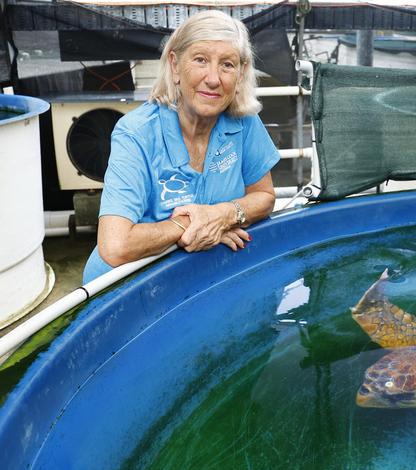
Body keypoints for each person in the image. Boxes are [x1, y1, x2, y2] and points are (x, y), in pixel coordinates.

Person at [83, 10, 280, 284]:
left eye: (227, 65)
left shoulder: (244, 122)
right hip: (124, 285)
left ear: (241, 73)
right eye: (200, 60)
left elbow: (264, 196)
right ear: (175, 66)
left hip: (198, 276)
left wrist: (220, 215)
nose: (213, 78)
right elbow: (116, 246)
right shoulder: (137, 133)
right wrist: (191, 224)